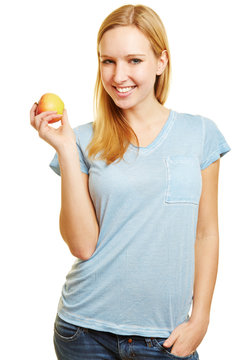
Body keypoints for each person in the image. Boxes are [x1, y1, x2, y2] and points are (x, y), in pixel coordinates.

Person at [30, 4, 231, 360]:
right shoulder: (81, 140)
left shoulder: (200, 134)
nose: (118, 75)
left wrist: (200, 318)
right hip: (84, 332)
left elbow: (206, 233)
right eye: (107, 61)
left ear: (161, 62)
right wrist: (64, 148)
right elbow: (82, 246)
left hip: (165, 339)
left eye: (133, 60)